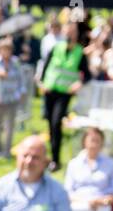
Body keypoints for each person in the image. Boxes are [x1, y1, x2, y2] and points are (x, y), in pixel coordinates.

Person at [37, 20, 89, 171]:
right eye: (67, 31)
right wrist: (41, 83)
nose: (68, 34)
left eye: (72, 32)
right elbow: (46, 67)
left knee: (56, 123)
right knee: (49, 123)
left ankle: (55, 159)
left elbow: (88, 74)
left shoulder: (80, 52)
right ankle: (48, 156)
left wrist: (79, 83)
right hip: (49, 90)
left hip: (64, 93)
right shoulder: (55, 48)